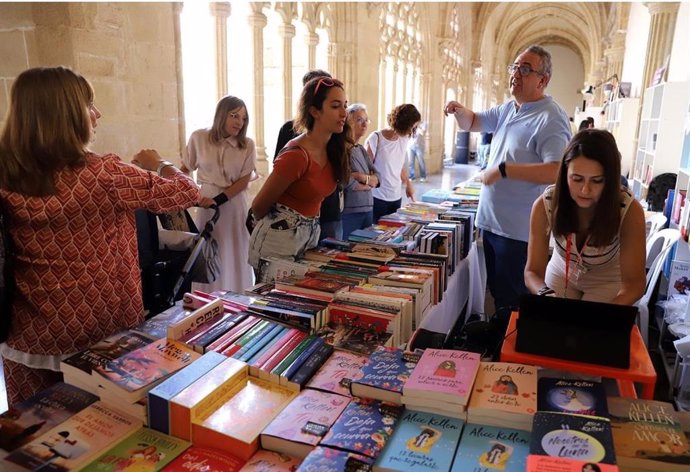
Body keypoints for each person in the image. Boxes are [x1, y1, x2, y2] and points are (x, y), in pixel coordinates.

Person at [0, 66, 201, 405]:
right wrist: (159, 164)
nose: (97, 114)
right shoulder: (104, 175)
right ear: (67, 115)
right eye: (88, 104)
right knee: (102, 436)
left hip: (27, 335)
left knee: (33, 442)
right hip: (101, 336)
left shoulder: (5, 174)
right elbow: (187, 192)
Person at [444, 44, 571, 317]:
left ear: (543, 80)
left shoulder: (550, 117)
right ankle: (497, 344)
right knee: (497, 295)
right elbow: (474, 122)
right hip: (491, 223)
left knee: (513, 302)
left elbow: (557, 171)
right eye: (514, 67)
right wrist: (459, 110)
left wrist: (504, 170)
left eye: (526, 69)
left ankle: (511, 353)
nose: (516, 74)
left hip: (517, 233)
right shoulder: (509, 108)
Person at [524, 129, 645, 304]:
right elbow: (532, 272)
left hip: (607, 280)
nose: (585, 190)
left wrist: (607, 313)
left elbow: (635, 284)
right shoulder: (545, 204)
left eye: (597, 181)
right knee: (551, 326)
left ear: (610, 180)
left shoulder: (629, 210)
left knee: (592, 330)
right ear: (565, 174)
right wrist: (544, 293)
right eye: (577, 179)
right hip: (562, 272)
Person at [248, 77, 350, 276]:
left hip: (309, 238)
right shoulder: (297, 155)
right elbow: (258, 207)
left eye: (345, 105)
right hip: (278, 242)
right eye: (335, 106)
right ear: (314, 111)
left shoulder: (334, 150)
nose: (344, 113)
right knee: (275, 304)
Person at [182, 95, 256, 294]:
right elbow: (185, 170)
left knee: (234, 250)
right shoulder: (199, 137)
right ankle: (206, 297)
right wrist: (191, 196)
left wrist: (218, 200)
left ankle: (237, 296)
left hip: (233, 204)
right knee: (208, 250)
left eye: (243, 118)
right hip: (206, 203)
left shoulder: (247, 144)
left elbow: (244, 180)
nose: (240, 122)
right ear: (221, 114)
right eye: (234, 115)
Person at [273, 69, 342, 240]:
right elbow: (276, 179)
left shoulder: (336, 134)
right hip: (296, 219)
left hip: (328, 213)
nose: (343, 112)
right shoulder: (289, 131)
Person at [366, 104, 421, 222]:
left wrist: (408, 184)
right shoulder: (376, 138)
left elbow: (399, 165)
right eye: (412, 127)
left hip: (396, 197)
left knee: (392, 233)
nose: (412, 131)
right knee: (376, 235)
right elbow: (367, 169)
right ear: (404, 123)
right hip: (377, 197)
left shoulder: (404, 139)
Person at [342, 103, 380, 240]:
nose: (364, 125)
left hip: (368, 208)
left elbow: (377, 177)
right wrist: (368, 182)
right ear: (349, 122)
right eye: (359, 120)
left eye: (366, 120)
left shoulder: (360, 149)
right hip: (351, 210)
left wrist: (361, 177)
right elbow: (346, 181)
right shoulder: (343, 149)